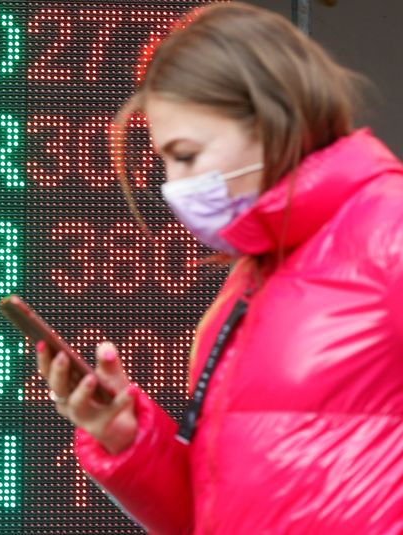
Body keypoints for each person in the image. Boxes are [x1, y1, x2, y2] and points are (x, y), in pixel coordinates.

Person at [35, 3, 403, 533]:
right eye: (165, 158)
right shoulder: (246, 285)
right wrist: (124, 436)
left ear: (271, 121)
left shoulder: (387, 231)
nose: (172, 183)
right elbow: (210, 517)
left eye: (185, 155)